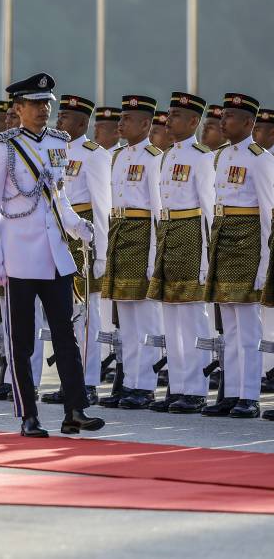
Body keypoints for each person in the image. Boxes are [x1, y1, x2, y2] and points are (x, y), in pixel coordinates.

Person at [0, 72, 103, 438]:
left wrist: (78, 225)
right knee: (22, 340)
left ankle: (75, 410)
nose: (43, 109)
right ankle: (28, 414)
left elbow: (56, 195)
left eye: (47, 103)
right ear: (17, 108)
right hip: (17, 254)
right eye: (34, 103)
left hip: (54, 255)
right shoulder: (2, 147)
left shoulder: (57, 142)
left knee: (66, 334)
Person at [146, 92, 214, 413]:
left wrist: (207, 258)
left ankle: (196, 388)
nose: (168, 120)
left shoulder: (201, 157)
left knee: (191, 316)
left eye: (175, 116)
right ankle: (178, 385)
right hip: (169, 233)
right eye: (169, 115)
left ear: (193, 122)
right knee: (171, 317)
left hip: (191, 235)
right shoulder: (167, 155)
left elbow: (209, 211)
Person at [208, 93, 274, 419]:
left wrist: (265, 263)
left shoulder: (260, 159)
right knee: (229, 327)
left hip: (248, 244)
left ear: (249, 123)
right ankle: (230, 392)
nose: (223, 121)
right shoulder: (218, 157)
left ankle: (249, 395)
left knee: (248, 327)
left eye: (231, 116)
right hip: (223, 241)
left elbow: (267, 215)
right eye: (222, 115)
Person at [100, 95, 164, 410]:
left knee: (145, 317)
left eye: (128, 119)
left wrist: (154, 257)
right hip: (120, 234)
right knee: (125, 318)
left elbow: (157, 212)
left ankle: (146, 384)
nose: (121, 124)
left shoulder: (154, 158)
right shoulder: (116, 157)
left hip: (141, 235)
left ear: (145, 124)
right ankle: (129, 382)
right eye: (121, 118)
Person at [44, 94, 109, 405]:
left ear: (82, 123)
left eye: (66, 117)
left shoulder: (94, 154)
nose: (59, 121)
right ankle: (70, 380)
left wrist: (101, 253)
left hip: (83, 238)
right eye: (60, 115)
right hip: (57, 234)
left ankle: (89, 381)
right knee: (63, 314)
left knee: (87, 315)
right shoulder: (54, 150)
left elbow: (101, 207)